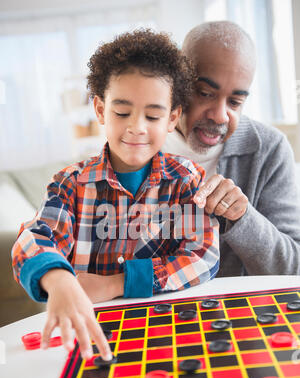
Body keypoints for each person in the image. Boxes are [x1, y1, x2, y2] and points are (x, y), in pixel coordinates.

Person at [12, 29, 219, 360]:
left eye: (152, 115)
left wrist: (115, 284)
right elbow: (33, 240)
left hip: (172, 335)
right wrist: (58, 279)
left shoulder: (186, 181)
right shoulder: (70, 185)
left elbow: (203, 257)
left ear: (173, 118)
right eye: (122, 112)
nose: (136, 126)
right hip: (88, 337)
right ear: (99, 109)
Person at [163, 21, 300, 277]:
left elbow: (293, 268)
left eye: (235, 102)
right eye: (204, 93)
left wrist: (242, 217)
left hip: (239, 313)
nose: (220, 116)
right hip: (158, 311)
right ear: (177, 82)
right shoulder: (139, 144)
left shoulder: (269, 150)